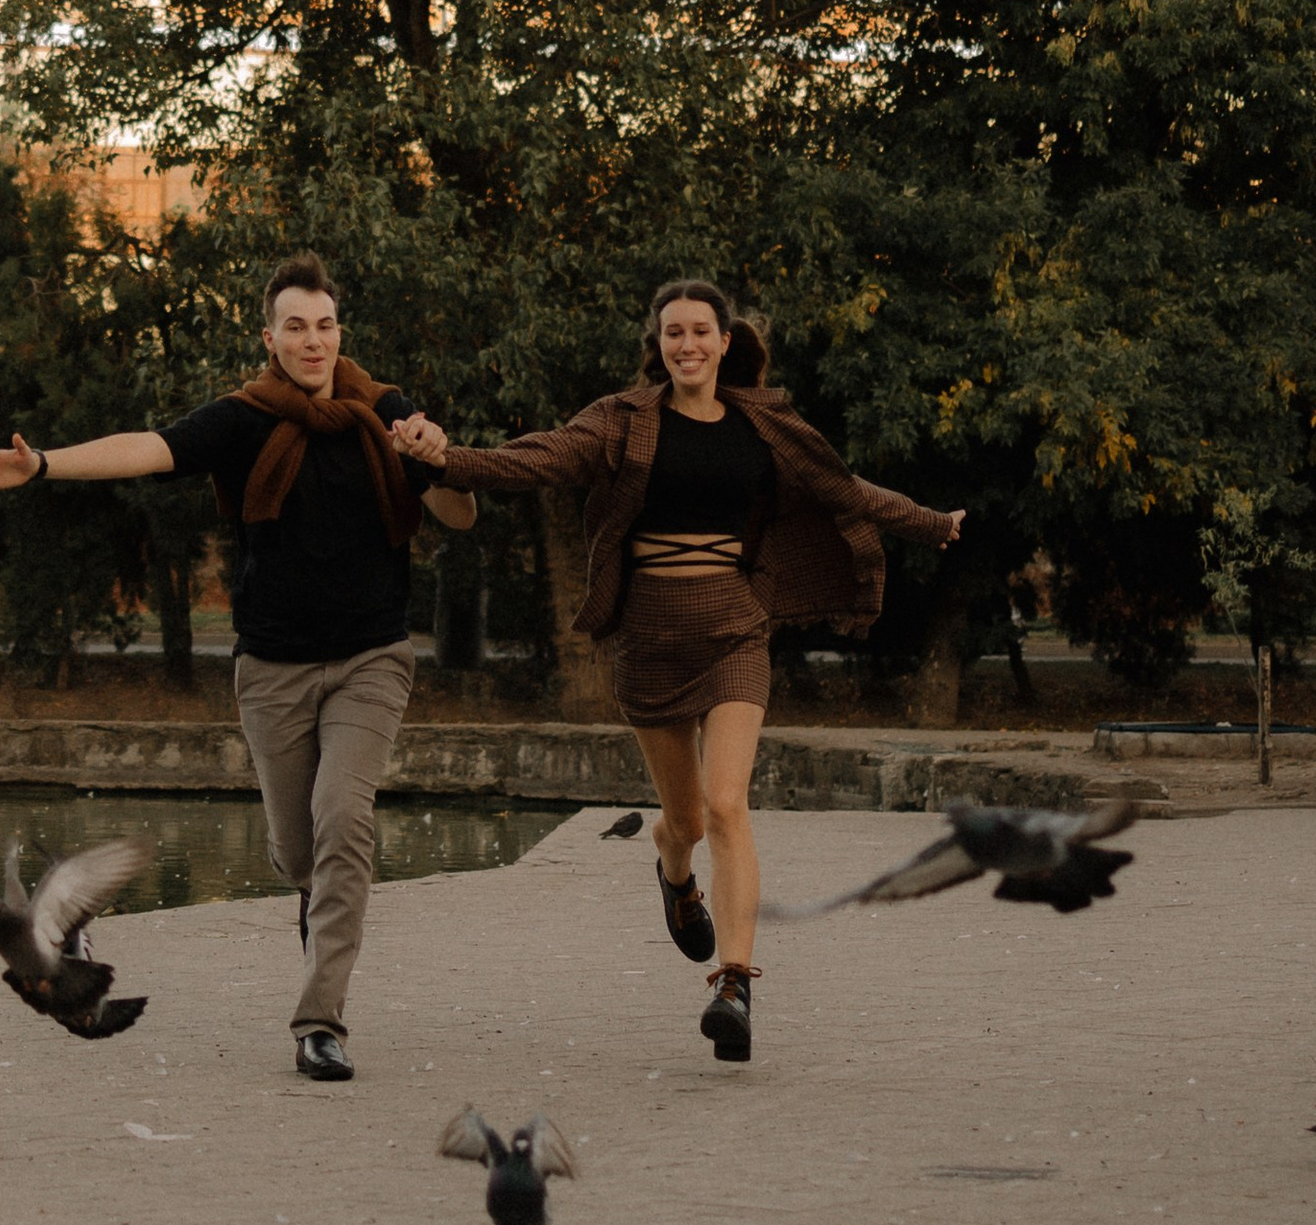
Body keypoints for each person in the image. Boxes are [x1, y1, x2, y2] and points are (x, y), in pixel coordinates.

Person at [395, 280, 960, 1066]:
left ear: (727, 341)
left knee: (728, 804)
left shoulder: (765, 426)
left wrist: (931, 523)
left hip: (735, 628)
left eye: (701, 331)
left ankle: (734, 983)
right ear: (658, 344)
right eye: (673, 333)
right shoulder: (625, 423)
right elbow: (541, 459)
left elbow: (844, 488)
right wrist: (446, 461)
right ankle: (672, 867)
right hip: (649, 638)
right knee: (688, 821)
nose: (687, 344)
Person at [0, 254, 478, 1081]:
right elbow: (150, 448)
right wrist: (44, 463)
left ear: (341, 330)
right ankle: (313, 898)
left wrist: (439, 458)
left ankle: (320, 1022)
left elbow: (458, 512)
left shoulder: (386, 411)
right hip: (272, 668)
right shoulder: (244, 420)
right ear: (270, 337)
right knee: (301, 852)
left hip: (371, 659)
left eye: (326, 325)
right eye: (296, 327)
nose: (313, 341)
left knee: (345, 822)